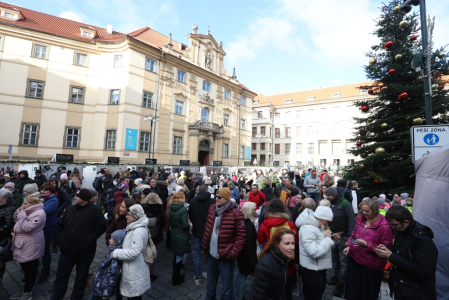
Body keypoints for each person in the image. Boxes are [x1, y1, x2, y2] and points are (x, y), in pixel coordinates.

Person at [50, 189, 107, 300]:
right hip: (66, 251)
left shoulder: (95, 210)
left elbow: (101, 227)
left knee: (81, 277)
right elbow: (59, 225)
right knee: (60, 277)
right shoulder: (69, 209)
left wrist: (89, 240)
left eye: (77, 196)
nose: (74, 197)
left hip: (85, 252)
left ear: (85, 198)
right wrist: (60, 239)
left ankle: (76, 298)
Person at [375, 206, 438, 300]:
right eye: (391, 225)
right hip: (402, 290)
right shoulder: (402, 232)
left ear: (406, 222)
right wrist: (387, 250)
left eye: (395, 225)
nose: (393, 228)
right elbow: (403, 253)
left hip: (417, 294)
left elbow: (423, 271)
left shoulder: (423, 240)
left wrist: (391, 256)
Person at [343, 199, 393, 300]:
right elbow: (353, 235)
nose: (364, 213)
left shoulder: (384, 227)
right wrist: (349, 245)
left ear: (374, 210)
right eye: (363, 210)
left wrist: (367, 245)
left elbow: (385, 250)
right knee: (352, 290)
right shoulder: (360, 220)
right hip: (354, 260)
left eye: (367, 211)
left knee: (368, 293)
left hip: (371, 266)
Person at [202, 187, 246, 300]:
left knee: (227, 288)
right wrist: (205, 246)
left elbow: (241, 237)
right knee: (210, 286)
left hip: (225, 257)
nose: (216, 198)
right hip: (211, 255)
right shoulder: (212, 208)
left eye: (219, 197)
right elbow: (207, 228)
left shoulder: (236, 213)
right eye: (216, 196)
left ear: (226, 199)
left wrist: (232, 254)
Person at [258, 199, 298, 300]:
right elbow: (296, 241)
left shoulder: (265, 222)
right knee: (286, 284)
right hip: (286, 258)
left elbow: (260, 239)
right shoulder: (289, 223)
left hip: (270, 256)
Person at [296, 205, 338, 300]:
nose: (328, 222)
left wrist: (333, 240)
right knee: (313, 295)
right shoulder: (308, 229)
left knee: (317, 293)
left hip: (318, 268)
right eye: (326, 220)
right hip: (311, 270)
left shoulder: (320, 225)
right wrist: (327, 239)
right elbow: (314, 252)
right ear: (319, 217)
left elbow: (325, 247)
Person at [9, 195, 46, 300]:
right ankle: (25, 289)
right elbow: (15, 220)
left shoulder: (40, 213)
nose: (23, 205)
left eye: (25, 204)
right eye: (23, 203)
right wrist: (18, 212)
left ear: (33, 204)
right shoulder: (26, 211)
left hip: (31, 244)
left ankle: (28, 292)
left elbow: (27, 227)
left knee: (30, 269)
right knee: (25, 268)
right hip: (22, 243)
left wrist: (21, 214)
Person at [111, 204, 151, 300]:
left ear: (135, 217)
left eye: (128, 214)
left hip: (134, 268)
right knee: (135, 295)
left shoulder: (137, 231)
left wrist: (116, 253)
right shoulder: (136, 227)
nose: (126, 216)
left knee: (134, 295)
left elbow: (134, 252)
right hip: (134, 266)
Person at [324, 187, 355, 297]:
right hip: (332, 236)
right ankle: (336, 276)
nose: (327, 197)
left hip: (344, 237)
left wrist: (350, 237)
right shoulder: (328, 204)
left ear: (335, 195)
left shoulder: (345, 204)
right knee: (335, 258)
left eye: (329, 195)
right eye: (326, 195)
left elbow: (352, 220)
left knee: (343, 262)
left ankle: (341, 283)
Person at [248, 227, 295, 300]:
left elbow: (280, 289)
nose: (292, 247)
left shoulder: (283, 258)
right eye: (287, 243)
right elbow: (257, 295)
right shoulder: (265, 266)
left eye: (292, 243)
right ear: (277, 244)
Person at [188, 185, 215, 285]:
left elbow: (190, 216)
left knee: (197, 254)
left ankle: (198, 277)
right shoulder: (212, 202)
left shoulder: (193, 201)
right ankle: (208, 273)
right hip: (209, 231)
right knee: (209, 253)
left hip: (197, 231)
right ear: (207, 191)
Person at [89, 229, 126, 300]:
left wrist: (106, 293)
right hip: (100, 285)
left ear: (118, 242)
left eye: (112, 239)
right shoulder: (112, 251)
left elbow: (112, 276)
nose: (109, 240)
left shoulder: (114, 257)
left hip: (102, 288)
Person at [36, 182, 59, 283]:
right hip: (37, 227)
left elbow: (43, 212)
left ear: (51, 191)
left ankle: (45, 270)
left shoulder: (53, 200)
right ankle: (34, 269)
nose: (42, 191)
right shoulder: (39, 197)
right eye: (42, 189)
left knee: (45, 250)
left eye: (45, 190)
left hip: (47, 228)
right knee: (35, 249)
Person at [235, 202, 257, 300]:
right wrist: (252, 259)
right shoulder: (248, 224)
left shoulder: (242, 221)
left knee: (240, 274)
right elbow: (248, 244)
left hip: (241, 253)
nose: (255, 211)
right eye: (254, 209)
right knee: (243, 275)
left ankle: (237, 294)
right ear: (250, 211)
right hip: (246, 254)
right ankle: (238, 296)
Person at [141, 193, 165, 282]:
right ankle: (150, 274)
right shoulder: (160, 209)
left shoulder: (142, 207)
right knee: (152, 253)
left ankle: (142, 271)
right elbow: (163, 223)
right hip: (156, 235)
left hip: (144, 233)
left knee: (143, 251)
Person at [169, 192, 190, 285]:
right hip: (181, 234)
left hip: (174, 233)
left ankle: (176, 275)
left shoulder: (171, 208)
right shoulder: (183, 209)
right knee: (179, 255)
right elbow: (185, 225)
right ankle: (176, 278)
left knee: (176, 254)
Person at [0, 190, 16, 286]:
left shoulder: (9, 209)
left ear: (5, 199)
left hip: (2, 240)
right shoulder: (2, 206)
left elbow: (9, 225)